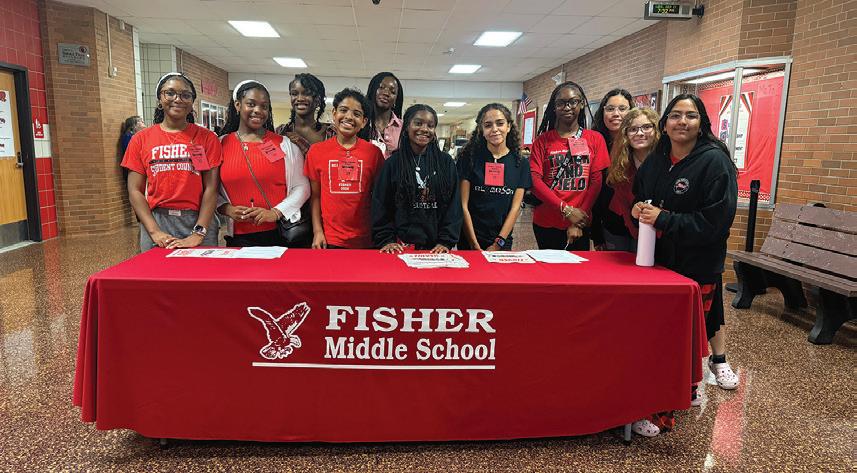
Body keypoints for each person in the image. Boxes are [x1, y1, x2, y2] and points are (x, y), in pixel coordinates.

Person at [632, 93, 739, 415]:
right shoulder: (657, 160)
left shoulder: (715, 162)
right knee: (664, 332)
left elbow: (715, 223)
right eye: (675, 115)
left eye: (690, 116)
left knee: (692, 332)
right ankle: (671, 386)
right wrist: (638, 209)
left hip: (698, 264)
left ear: (701, 123)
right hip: (661, 263)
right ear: (664, 124)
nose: (682, 122)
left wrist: (663, 219)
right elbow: (642, 197)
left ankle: (684, 389)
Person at [122, 72, 222, 251]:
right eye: (170, 93)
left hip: (198, 220)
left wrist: (198, 233)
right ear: (160, 99)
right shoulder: (141, 139)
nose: (178, 99)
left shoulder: (206, 138)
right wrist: (155, 232)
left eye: (185, 95)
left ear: (192, 102)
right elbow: (134, 190)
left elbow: (211, 188)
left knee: (202, 269)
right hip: (157, 221)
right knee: (156, 269)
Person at [216, 80, 309, 247]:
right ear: (238, 105)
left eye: (264, 106)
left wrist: (275, 212)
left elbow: (302, 187)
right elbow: (209, 189)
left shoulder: (285, 145)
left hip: (280, 234)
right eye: (251, 104)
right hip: (238, 237)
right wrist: (227, 209)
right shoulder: (220, 145)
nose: (258, 110)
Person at [529, 81, 609, 251]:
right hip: (547, 221)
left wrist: (577, 220)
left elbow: (596, 181)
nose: (567, 107)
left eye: (573, 102)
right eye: (561, 103)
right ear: (554, 107)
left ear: (581, 104)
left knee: (577, 267)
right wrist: (566, 210)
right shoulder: (542, 141)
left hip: (580, 220)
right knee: (548, 266)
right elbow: (534, 181)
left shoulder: (595, 139)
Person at [372, 104, 461, 253]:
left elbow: (454, 205)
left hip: (436, 249)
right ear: (407, 126)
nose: (424, 129)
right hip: (400, 247)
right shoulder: (393, 163)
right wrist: (386, 240)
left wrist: (446, 241)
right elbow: (381, 205)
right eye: (418, 123)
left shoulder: (445, 163)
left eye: (430, 126)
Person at [304, 88, 384, 249]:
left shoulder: (374, 153)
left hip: (366, 239)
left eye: (356, 114)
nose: (349, 117)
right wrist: (317, 231)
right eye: (343, 110)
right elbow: (315, 196)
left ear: (364, 122)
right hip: (329, 239)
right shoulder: (316, 152)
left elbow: (379, 197)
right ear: (334, 113)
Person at [457, 103, 531, 251]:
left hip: (502, 240)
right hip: (469, 239)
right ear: (481, 130)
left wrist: (498, 243)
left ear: (508, 126)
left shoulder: (520, 163)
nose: (495, 129)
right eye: (488, 125)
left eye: (500, 123)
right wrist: (473, 243)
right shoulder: (469, 158)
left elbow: (515, 208)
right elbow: (463, 205)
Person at [592, 108, 660, 251]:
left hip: (658, 230)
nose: (640, 133)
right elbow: (622, 203)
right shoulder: (620, 163)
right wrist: (638, 236)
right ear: (626, 134)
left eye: (647, 127)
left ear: (656, 129)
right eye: (633, 129)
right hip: (620, 226)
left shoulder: (666, 161)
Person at [275, 73, 335, 155]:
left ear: (318, 99)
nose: (299, 98)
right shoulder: (281, 132)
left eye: (306, 94)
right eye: (294, 94)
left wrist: (302, 144)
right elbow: (273, 160)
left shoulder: (331, 133)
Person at [363, 72, 403, 158]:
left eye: (392, 92)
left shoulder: (403, 128)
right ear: (373, 90)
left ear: (396, 99)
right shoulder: (361, 124)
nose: (386, 93)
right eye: (381, 87)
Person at [118, 116, 144, 180]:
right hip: (133, 168)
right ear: (133, 126)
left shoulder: (138, 136)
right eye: (140, 121)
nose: (143, 122)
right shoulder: (128, 137)